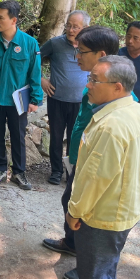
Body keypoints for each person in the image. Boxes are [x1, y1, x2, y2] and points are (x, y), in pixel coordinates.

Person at [64, 56, 140, 279]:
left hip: (103, 214)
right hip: (123, 207)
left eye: (94, 80)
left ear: (117, 87)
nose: (87, 85)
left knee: (96, 276)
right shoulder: (137, 111)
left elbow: (94, 178)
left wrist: (75, 210)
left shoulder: (111, 126)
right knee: (102, 268)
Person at [42, 26, 128, 279]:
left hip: (93, 164)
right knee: (69, 200)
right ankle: (71, 243)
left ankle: (88, 266)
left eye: (81, 52)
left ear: (101, 54)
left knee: (87, 213)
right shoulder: (94, 85)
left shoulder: (110, 91)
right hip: (80, 158)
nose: (75, 56)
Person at [0, 0, 43, 191]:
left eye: (1, 17)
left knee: (18, 135)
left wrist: (35, 99)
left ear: (13, 20)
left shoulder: (29, 43)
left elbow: (35, 73)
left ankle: (19, 172)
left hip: (17, 101)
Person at [40, 10, 91, 185]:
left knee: (75, 138)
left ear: (85, 28)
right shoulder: (55, 43)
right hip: (57, 99)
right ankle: (55, 171)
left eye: (75, 27)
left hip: (80, 101)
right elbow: (34, 59)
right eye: (68, 25)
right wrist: (41, 80)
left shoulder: (91, 46)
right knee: (55, 136)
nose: (70, 30)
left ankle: (72, 173)